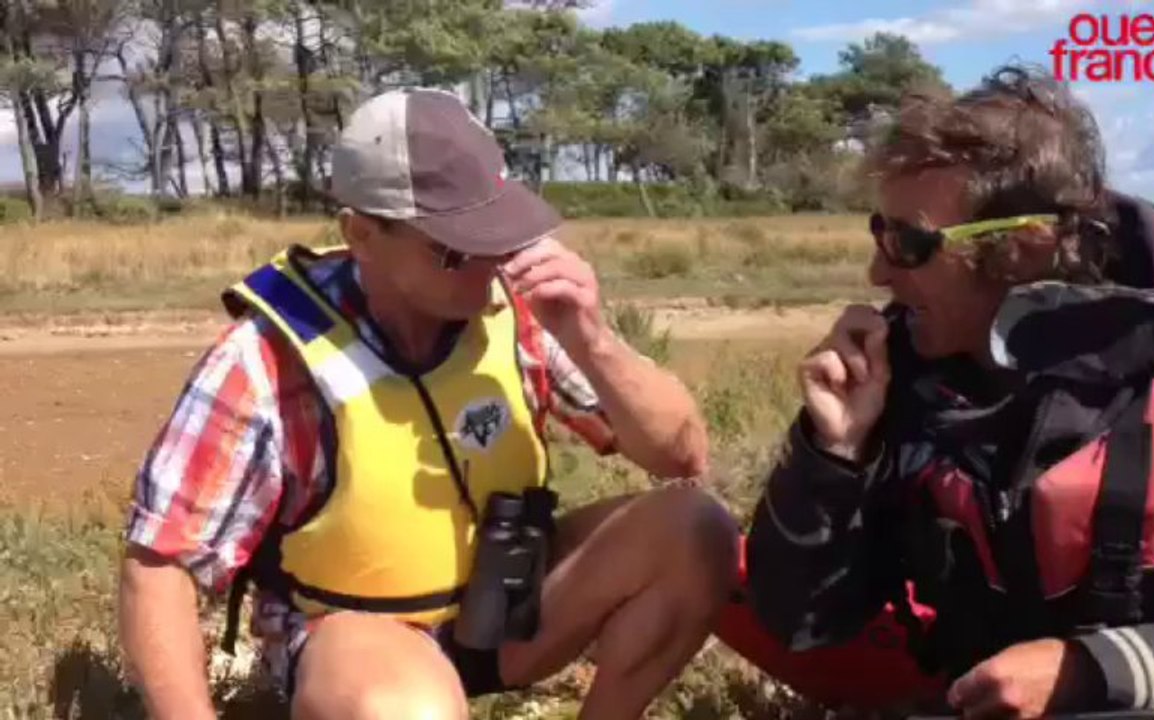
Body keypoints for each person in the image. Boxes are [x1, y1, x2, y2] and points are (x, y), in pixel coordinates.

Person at [117, 87, 739, 720]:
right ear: (361, 233)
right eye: (454, 248)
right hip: (357, 635)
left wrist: (592, 338)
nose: (488, 265)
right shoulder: (270, 359)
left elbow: (679, 455)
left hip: (506, 604)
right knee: (407, 710)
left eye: (497, 233)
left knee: (696, 530)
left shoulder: (521, 313)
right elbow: (158, 563)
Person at [716, 64, 1154, 719]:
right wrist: (832, 454)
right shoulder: (907, 387)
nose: (877, 272)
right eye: (879, 232)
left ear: (1026, 249)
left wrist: (1096, 669)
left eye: (908, 243)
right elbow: (799, 621)